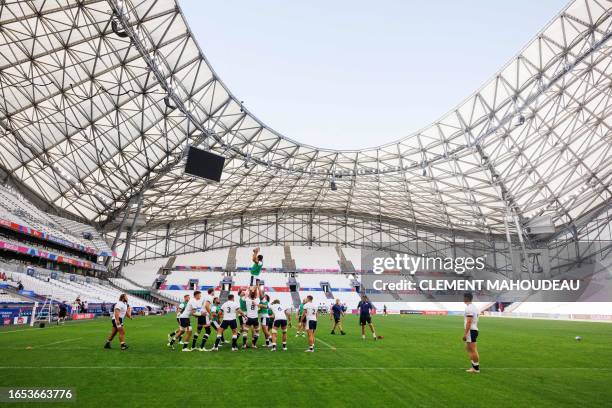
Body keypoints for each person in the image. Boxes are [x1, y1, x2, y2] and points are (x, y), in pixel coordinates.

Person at [462, 292, 480, 373]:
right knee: (468, 348)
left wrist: (465, 334)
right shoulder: (474, 307)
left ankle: (476, 368)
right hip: (473, 329)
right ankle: (474, 367)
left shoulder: (469, 308)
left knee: (472, 350)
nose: (463, 299)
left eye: (464, 297)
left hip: (471, 331)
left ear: (466, 298)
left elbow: (469, 322)